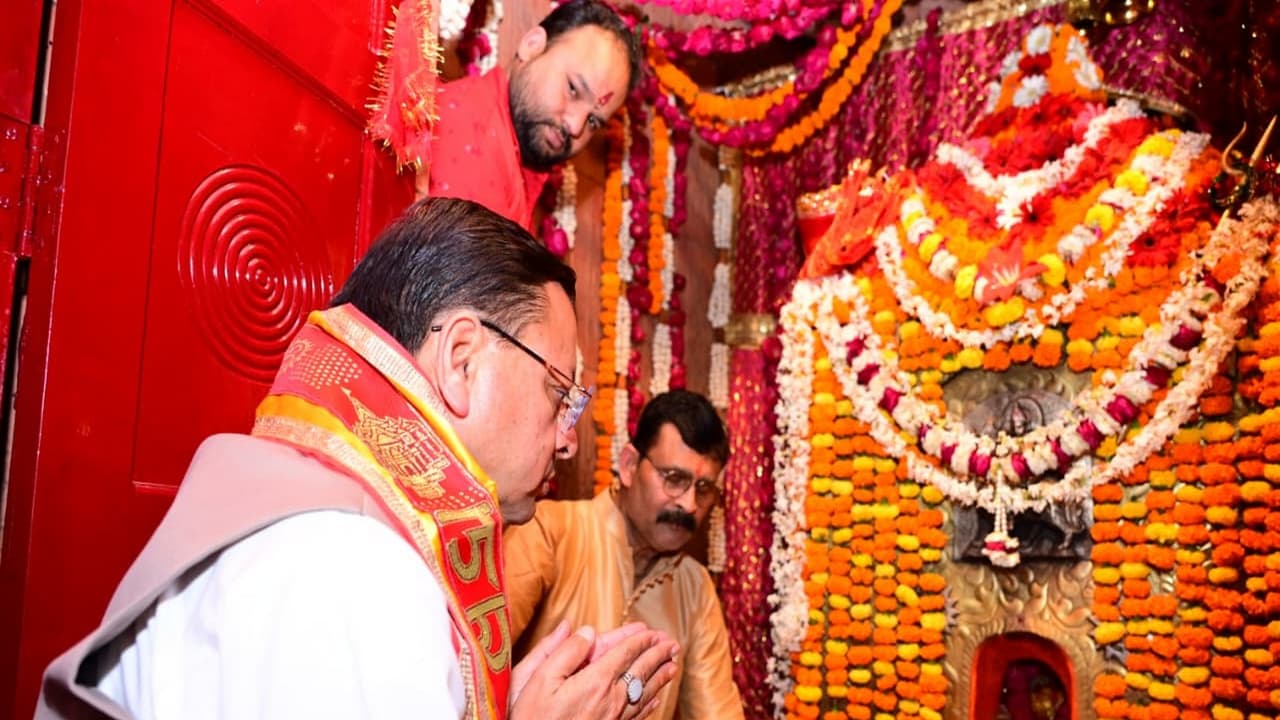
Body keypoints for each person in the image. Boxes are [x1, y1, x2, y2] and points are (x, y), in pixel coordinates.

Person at [37, 197, 679, 720]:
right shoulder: (352, 567)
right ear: (461, 360)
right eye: (558, 392)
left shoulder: (330, 520)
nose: (566, 440)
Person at [503, 390, 745, 720]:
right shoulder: (550, 533)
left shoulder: (694, 588)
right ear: (629, 465)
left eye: (704, 489)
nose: (689, 505)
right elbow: (471, 672)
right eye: (674, 479)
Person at [418, 0, 640, 229]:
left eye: (593, 121)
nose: (575, 126)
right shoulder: (462, 137)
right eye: (573, 89)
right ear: (532, 46)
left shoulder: (512, 167)